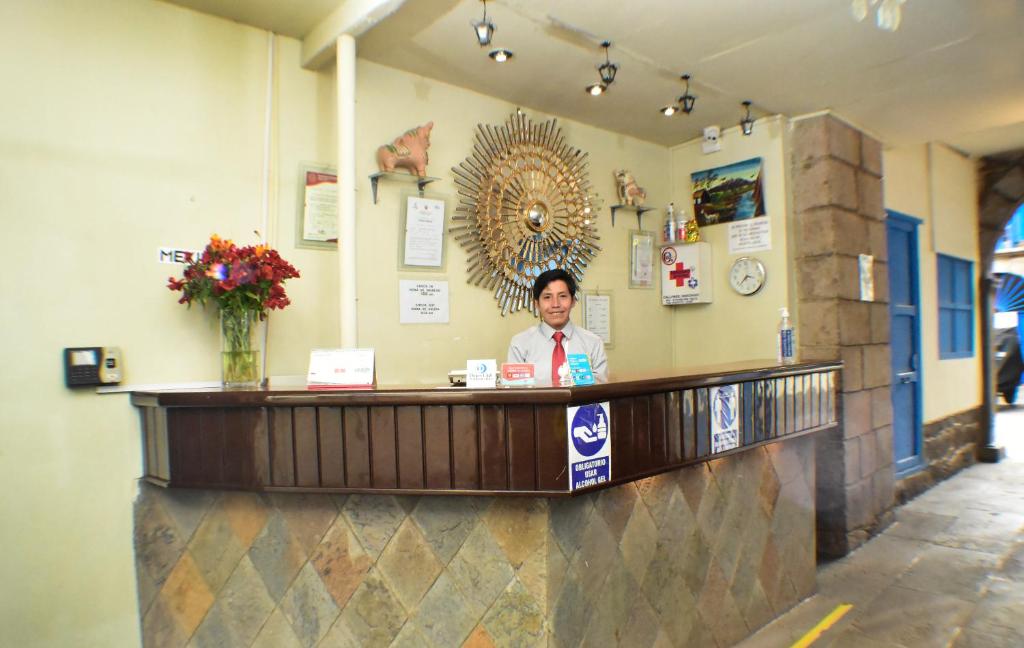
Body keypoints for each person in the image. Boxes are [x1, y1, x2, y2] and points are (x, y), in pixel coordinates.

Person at [508, 268, 608, 385]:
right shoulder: (519, 344)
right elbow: (517, 394)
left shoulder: (593, 343)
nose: (555, 304)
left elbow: (601, 391)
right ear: (537, 304)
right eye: (547, 297)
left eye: (562, 296)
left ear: (573, 301)